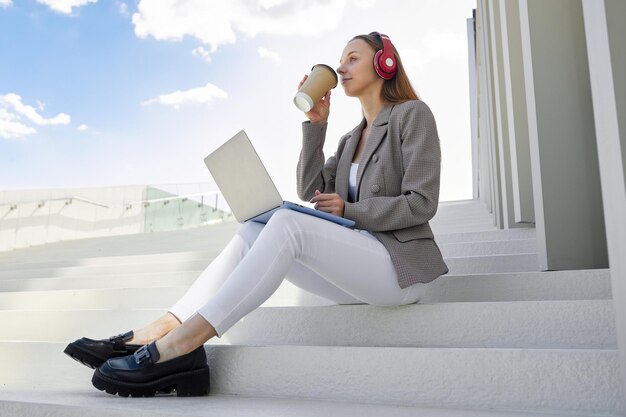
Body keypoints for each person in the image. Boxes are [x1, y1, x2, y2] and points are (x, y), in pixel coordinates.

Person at [64, 31, 449, 398]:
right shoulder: (350, 139)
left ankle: (182, 345)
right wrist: (316, 126)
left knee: (286, 223)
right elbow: (310, 189)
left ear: (384, 64)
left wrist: (353, 210)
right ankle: (163, 327)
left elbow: (422, 202)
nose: (342, 68)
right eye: (340, 60)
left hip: (398, 269)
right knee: (253, 229)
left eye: (353, 58)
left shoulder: (412, 115)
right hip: (359, 272)